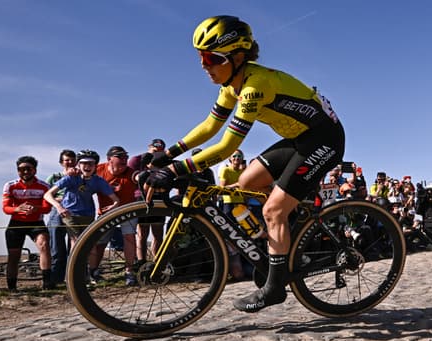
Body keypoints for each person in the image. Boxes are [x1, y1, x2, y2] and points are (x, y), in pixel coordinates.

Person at [143, 16, 344, 312]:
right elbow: (211, 126)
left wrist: (175, 170)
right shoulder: (231, 86)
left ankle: (275, 287)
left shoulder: (255, 85)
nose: (203, 64)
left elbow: (228, 146)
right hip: (297, 139)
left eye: (211, 57)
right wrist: (171, 152)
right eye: (201, 57)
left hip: (324, 140)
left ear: (238, 57)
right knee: (247, 184)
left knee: (273, 209)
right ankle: (293, 235)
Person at [43, 150, 117, 251]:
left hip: (88, 214)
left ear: (95, 165)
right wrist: (59, 207)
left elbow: (116, 199)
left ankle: (89, 267)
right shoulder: (70, 178)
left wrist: (114, 205)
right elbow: (47, 195)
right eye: (84, 163)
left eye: (91, 163)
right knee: (75, 241)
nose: (87, 166)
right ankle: (73, 266)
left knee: (88, 243)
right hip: (70, 213)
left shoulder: (98, 181)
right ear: (78, 164)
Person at [2, 156, 53, 290]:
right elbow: (5, 209)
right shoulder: (10, 185)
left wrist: (36, 208)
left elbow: (47, 209)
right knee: (14, 256)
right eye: (21, 169)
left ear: (34, 170)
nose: (25, 172)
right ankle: (12, 288)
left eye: (28, 169)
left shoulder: (44, 186)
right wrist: (17, 209)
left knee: (44, 245)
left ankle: (47, 284)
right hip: (16, 223)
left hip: (36, 222)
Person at [90, 146, 138, 286]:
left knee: (129, 239)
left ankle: (129, 272)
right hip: (106, 212)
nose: (124, 159)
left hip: (127, 210)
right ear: (109, 159)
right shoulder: (98, 170)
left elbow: (138, 177)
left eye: (126, 157)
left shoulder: (131, 172)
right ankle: (94, 271)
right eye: (120, 157)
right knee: (100, 242)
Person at [45, 149, 76, 285]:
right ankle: (56, 279)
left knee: (74, 246)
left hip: (74, 212)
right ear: (61, 163)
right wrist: (57, 200)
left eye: (72, 159)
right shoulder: (54, 177)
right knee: (56, 248)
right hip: (56, 212)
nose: (69, 162)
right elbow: (45, 195)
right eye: (66, 160)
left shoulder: (80, 176)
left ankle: (72, 277)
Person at [136, 139, 167, 266]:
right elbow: (136, 177)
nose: (156, 154)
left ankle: (157, 263)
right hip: (142, 199)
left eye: (159, 152)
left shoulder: (164, 161)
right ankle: (141, 262)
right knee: (142, 233)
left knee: (158, 233)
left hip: (159, 200)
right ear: (149, 147)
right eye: (155, 150)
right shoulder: (140, 159)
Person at [219, 149, 249, 280]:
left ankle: (242, 265)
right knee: (229, 232)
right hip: (228, 204)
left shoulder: (243, 172)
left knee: (243, 233)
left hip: (241, 204)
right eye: (234, 156)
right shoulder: (226, 170)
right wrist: (237, 185)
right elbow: (222, 188)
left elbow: (246, 188)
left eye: (239, 156)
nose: (237, 158)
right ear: (230, 159)